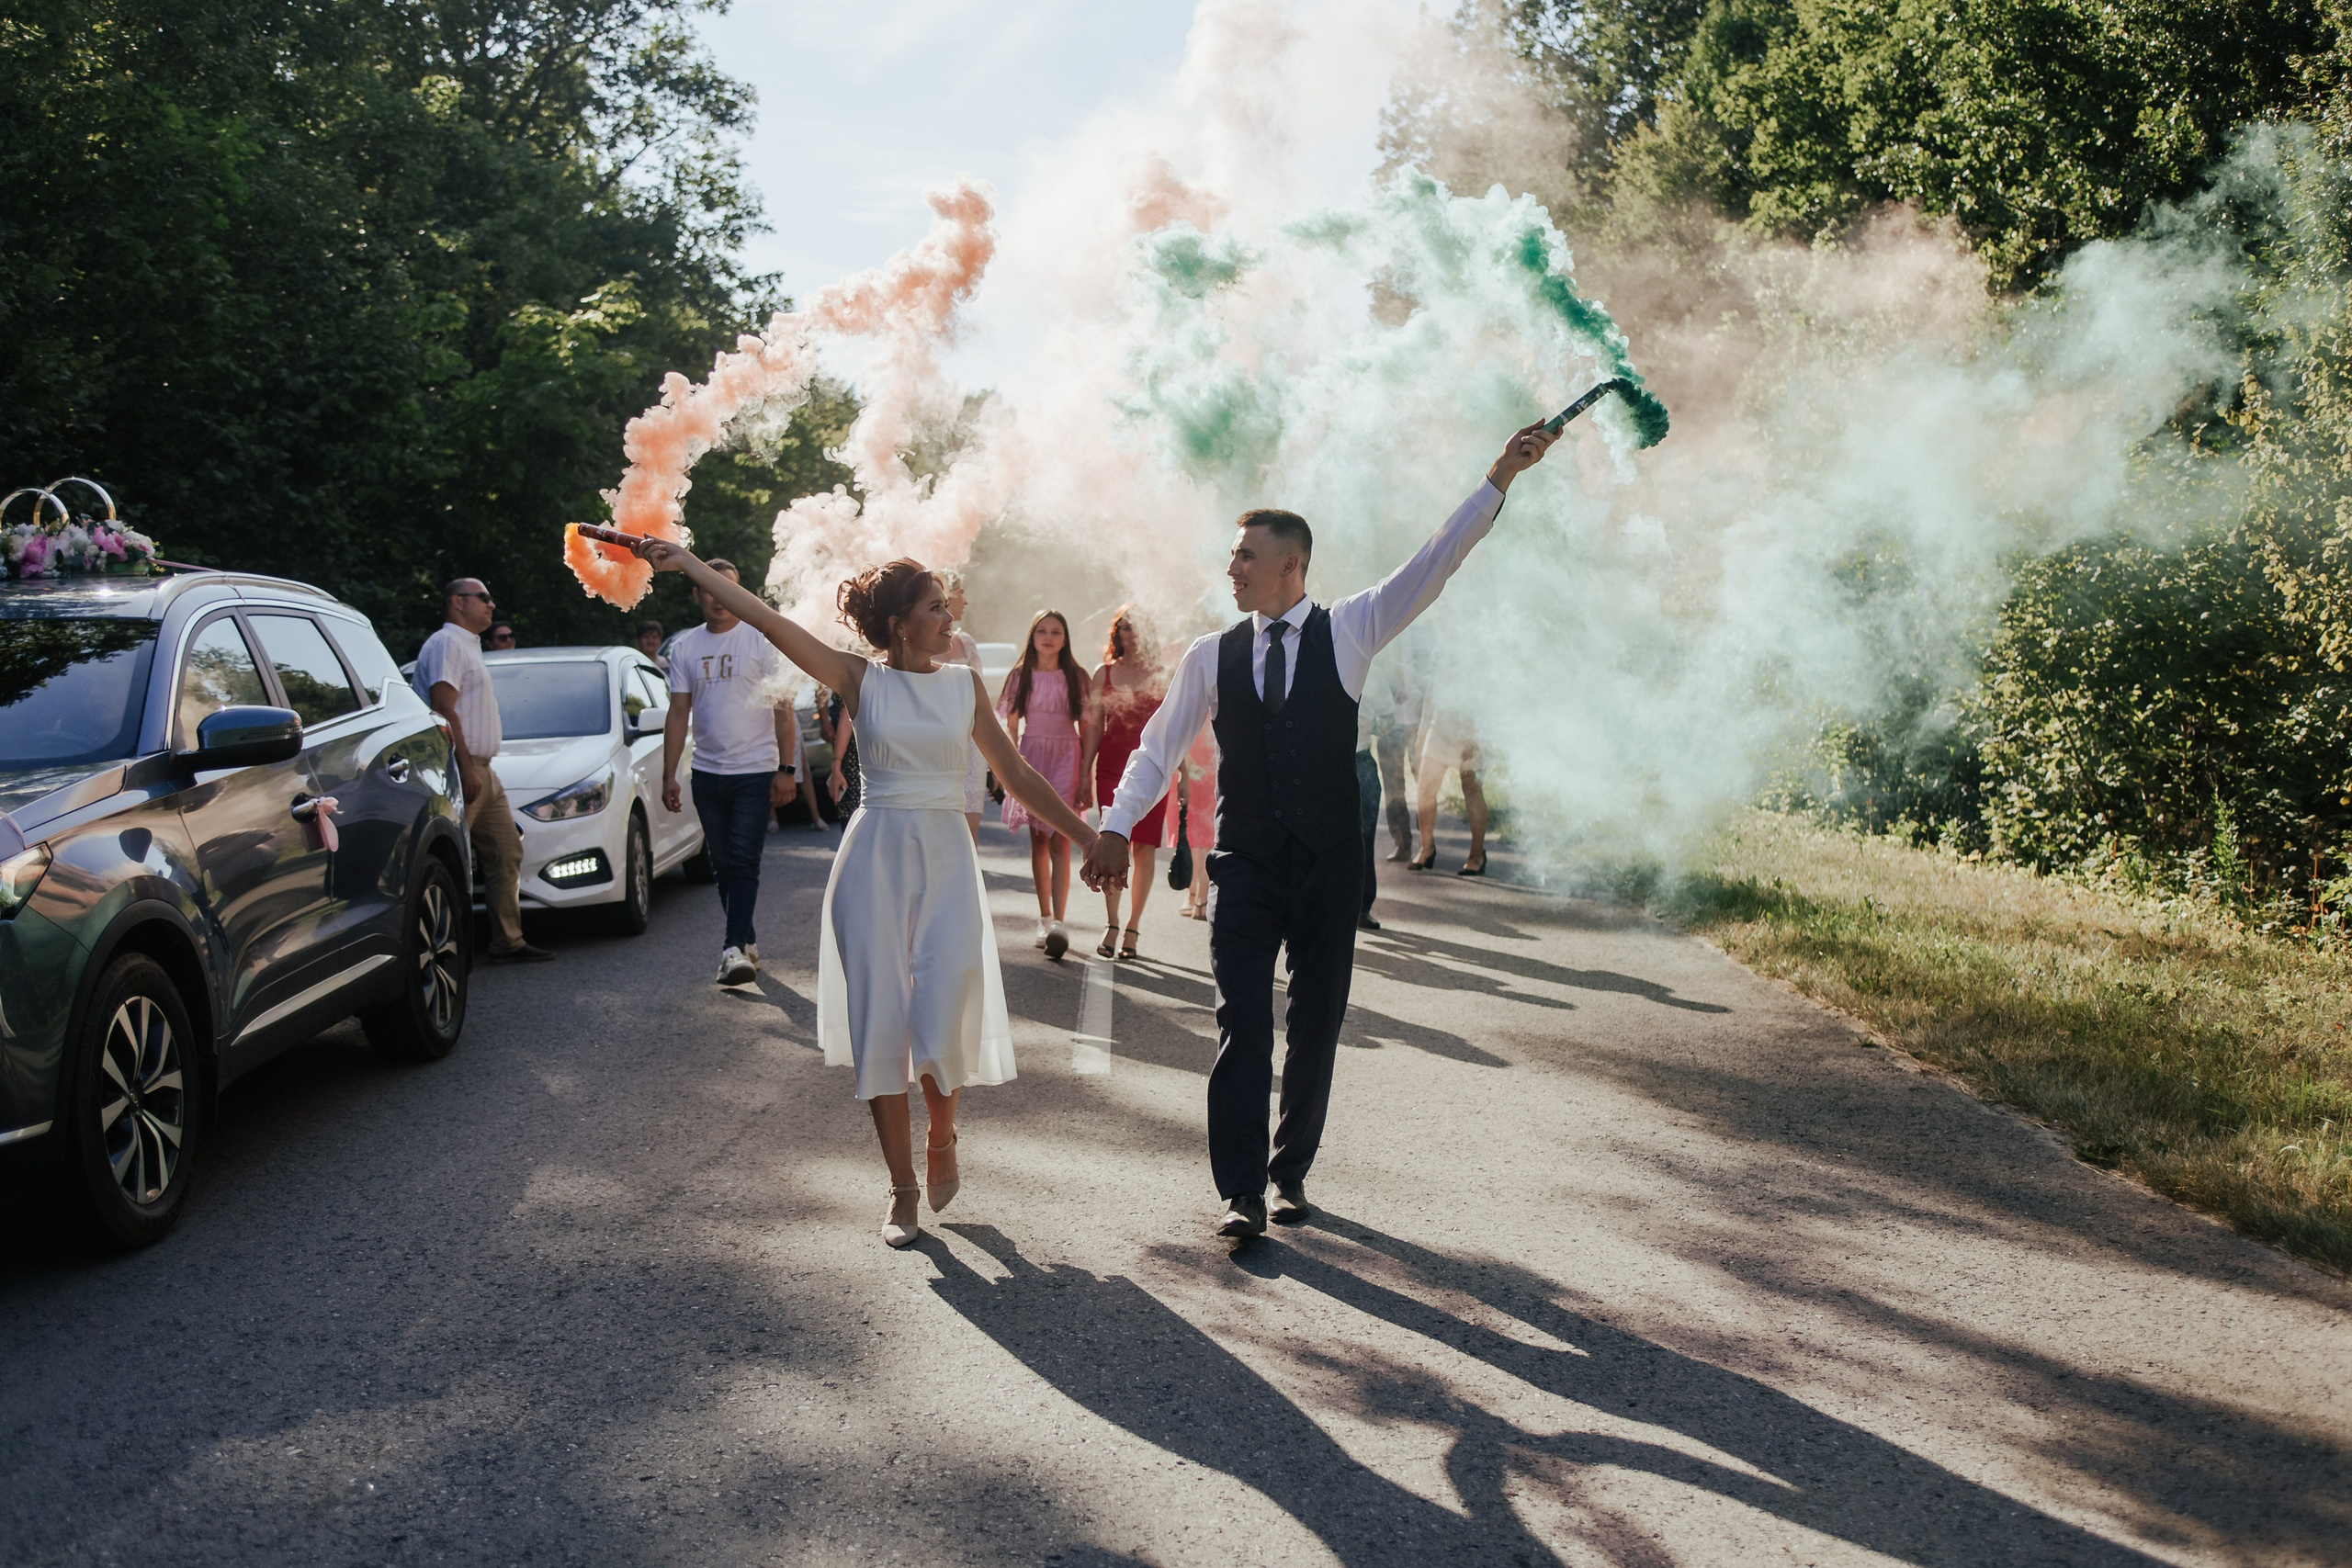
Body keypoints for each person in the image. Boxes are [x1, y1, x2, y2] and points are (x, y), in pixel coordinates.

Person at [1081, 419, 1562, 1238]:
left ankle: (1287, 1173)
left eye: (1244, 556)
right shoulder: (1211, 653)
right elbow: (1159, 751)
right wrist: (1117, 826)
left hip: (1329, 864)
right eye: (1232, 555)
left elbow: (1434, 561)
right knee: (1242, 1020)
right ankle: (1238, 1191)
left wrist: (1499, 477)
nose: (1230, 568)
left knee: (1314, 1022)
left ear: (1290, 567)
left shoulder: (1352, 627)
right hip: (1245, 861)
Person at [627, 536, 1098, 1248]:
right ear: (901, 623)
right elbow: (767, 621)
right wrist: (688, 565)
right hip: (875, 859)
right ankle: (901, 1188)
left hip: (946, 859)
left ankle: (942, 1133)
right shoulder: (857, 678)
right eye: (937, 606)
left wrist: (1089, 837)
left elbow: (1021, 776)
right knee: (884, 1016)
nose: (949, 616)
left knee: (945, 1008)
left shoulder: (963, 682)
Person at [661, 558, 800, 986]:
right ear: (698, 593)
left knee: (742, 860)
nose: (720, 599)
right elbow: (678, 713)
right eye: (711, 589)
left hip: (755, 772)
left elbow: (783, 711)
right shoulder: (684, 647)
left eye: (729, 590)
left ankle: (732, 950)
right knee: (724, 865)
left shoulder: (761, 643)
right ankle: (747, 942)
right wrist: (670, 775)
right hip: (707, 773)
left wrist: (786, 769)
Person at [413, 579, 551, 964]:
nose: (492, 605)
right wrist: (466, 768)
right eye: (484, 598)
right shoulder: (447, 644)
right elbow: (443, 708)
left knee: (507, 852)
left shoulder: (467, 645)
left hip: (485, 770)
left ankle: (508, 941)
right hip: (462, 768)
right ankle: (447, 950)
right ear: (457, 602)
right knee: (449, 859)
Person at [998, 609, 1092, 959]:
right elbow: (1007, 723)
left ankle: (1060, 923)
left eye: (1056, 631)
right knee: (1038, 838)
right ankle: (1044, 917)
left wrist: (1085, 773)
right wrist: (1010, 763)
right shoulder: (1019, 675)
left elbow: (1087, 724)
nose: (1048, 637)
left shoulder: (1076, 675)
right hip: (1031, 755)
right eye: (1042, 630)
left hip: (1067, 754)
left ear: (1065, 639)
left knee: (1062, 840)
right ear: (1032, 636)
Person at [1089, 606, 1167, 958]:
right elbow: (1092, 727)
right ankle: (1112, 923)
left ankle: (1133, 926)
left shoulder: (1163, 674)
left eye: (1137, 628)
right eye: (1124, 628)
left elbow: (1172, 731)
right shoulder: (1102, 674)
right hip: (1109, 769)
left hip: (1153, 772)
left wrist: (1181, 778)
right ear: (1116, 633)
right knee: (1112, 844)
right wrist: (1081, 773)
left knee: (1144, 848)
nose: (1130, 635)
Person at [1409, 703, 1488, 876]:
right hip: (1438, 728)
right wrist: (1421, 737)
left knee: (1471, 789)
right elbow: (1431, 693)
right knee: (1425, 789)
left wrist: (1473, 737)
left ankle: (1476, 856)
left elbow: (1485, 695)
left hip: (1472, 730)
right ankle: (1426, 849)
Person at [938, 571, 988, 841]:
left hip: (970, 746)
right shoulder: (920, 645)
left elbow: (981, 705)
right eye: (961, 593)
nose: (966, 601)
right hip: (936, 743)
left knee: (969, 835)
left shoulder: (966, 643)